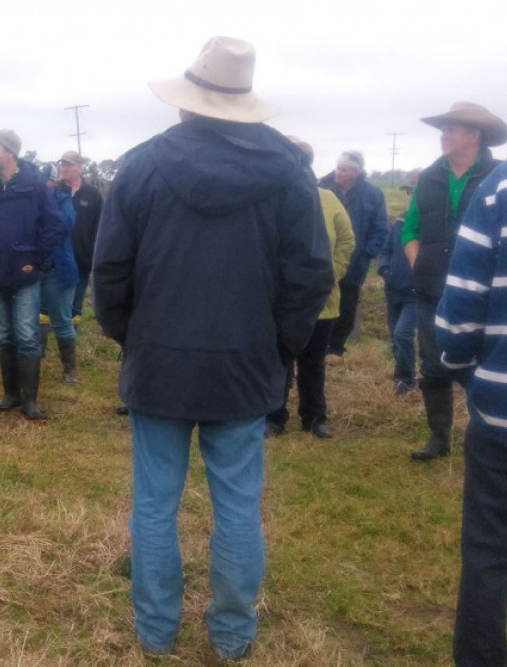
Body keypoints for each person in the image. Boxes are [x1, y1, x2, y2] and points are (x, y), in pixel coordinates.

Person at [93, 37, 333, 660]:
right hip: (243, 365)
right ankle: (230, 635)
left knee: (153, 505)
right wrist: (277, 346)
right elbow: (308, 275)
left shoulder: (142, 165)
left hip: (160, 364)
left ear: (186, 104)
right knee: (237, 507)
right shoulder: (288, 171)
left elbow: (110, 271)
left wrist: (133, 338)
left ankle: (156, 632)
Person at [403, 102, 505, 461]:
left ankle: (487, 431)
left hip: (488, 295)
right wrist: (420, 265)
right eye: (443, 129)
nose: (443, 135)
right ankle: (439, 439)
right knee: (433, 366)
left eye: (452, 128)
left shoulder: (498, 177)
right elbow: (410, 227)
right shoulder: (428, 178)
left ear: (474, 135)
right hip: (432, 291)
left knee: (486, 363)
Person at [435, 158, 507, 666]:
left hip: (503, 408)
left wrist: (461, 364)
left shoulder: (497, 190)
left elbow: (463, 305)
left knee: (488, 549)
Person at [0, 129, 63, 421]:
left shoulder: (35, 187)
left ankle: (30, 401)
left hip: (25, 277)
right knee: (5, 337)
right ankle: (10, 395)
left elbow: (54, 226)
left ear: (9, 152)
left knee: (27, 337)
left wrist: (35, 260)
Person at [265, 138, 354, 439]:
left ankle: (314, 417)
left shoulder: (327, 198)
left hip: (322, 299)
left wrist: (332, 273)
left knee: (313, 362)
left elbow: (346, 240)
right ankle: (274, 416)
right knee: (280, 359)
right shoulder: (271, 197)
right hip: (282, 299)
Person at [319, 150, 388, 363]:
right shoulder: (321, 187)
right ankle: (317, 343)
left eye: (344, 170)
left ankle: (335, 348)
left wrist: (368, 253)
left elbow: (380, 228)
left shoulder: (373, 194)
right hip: (324, 257)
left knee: (347, 302)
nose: (337, 172)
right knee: (321, 299)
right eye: (337, 167)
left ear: (356, 173)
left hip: (356, 260)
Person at [36, 162, 80, 384]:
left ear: (53, 182)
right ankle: (34, 357)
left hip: (58, 271)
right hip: (34, 272)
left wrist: (47, 207)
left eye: (45, 180)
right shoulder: (30, 202)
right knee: (34, 318)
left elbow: (66, 224)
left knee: (62, 320)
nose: (41, 185)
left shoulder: (63, 201)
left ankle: (70, 369)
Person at [378, 184, 417, 395]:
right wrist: (385, 269)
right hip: (393, 289)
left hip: (416, 293)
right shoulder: (400, 221)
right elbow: (387, 249)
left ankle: (406, 381)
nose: (410, 196)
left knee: (403, 335)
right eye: (408, 192)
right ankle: (401, 375)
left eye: (415, 192)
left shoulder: (431, 224)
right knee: (396, 337)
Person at [58, 150, 103, 325]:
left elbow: (100, 227)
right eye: (62, 164)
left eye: (68, 164)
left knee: (76, 304)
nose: (64, 168)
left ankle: (70, 333)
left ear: (80, 168)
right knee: (52, 299)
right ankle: (52, 331)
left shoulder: (93, 195)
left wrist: (93, 254)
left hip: (82, 258)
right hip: (57, 259)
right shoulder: (54, 191)